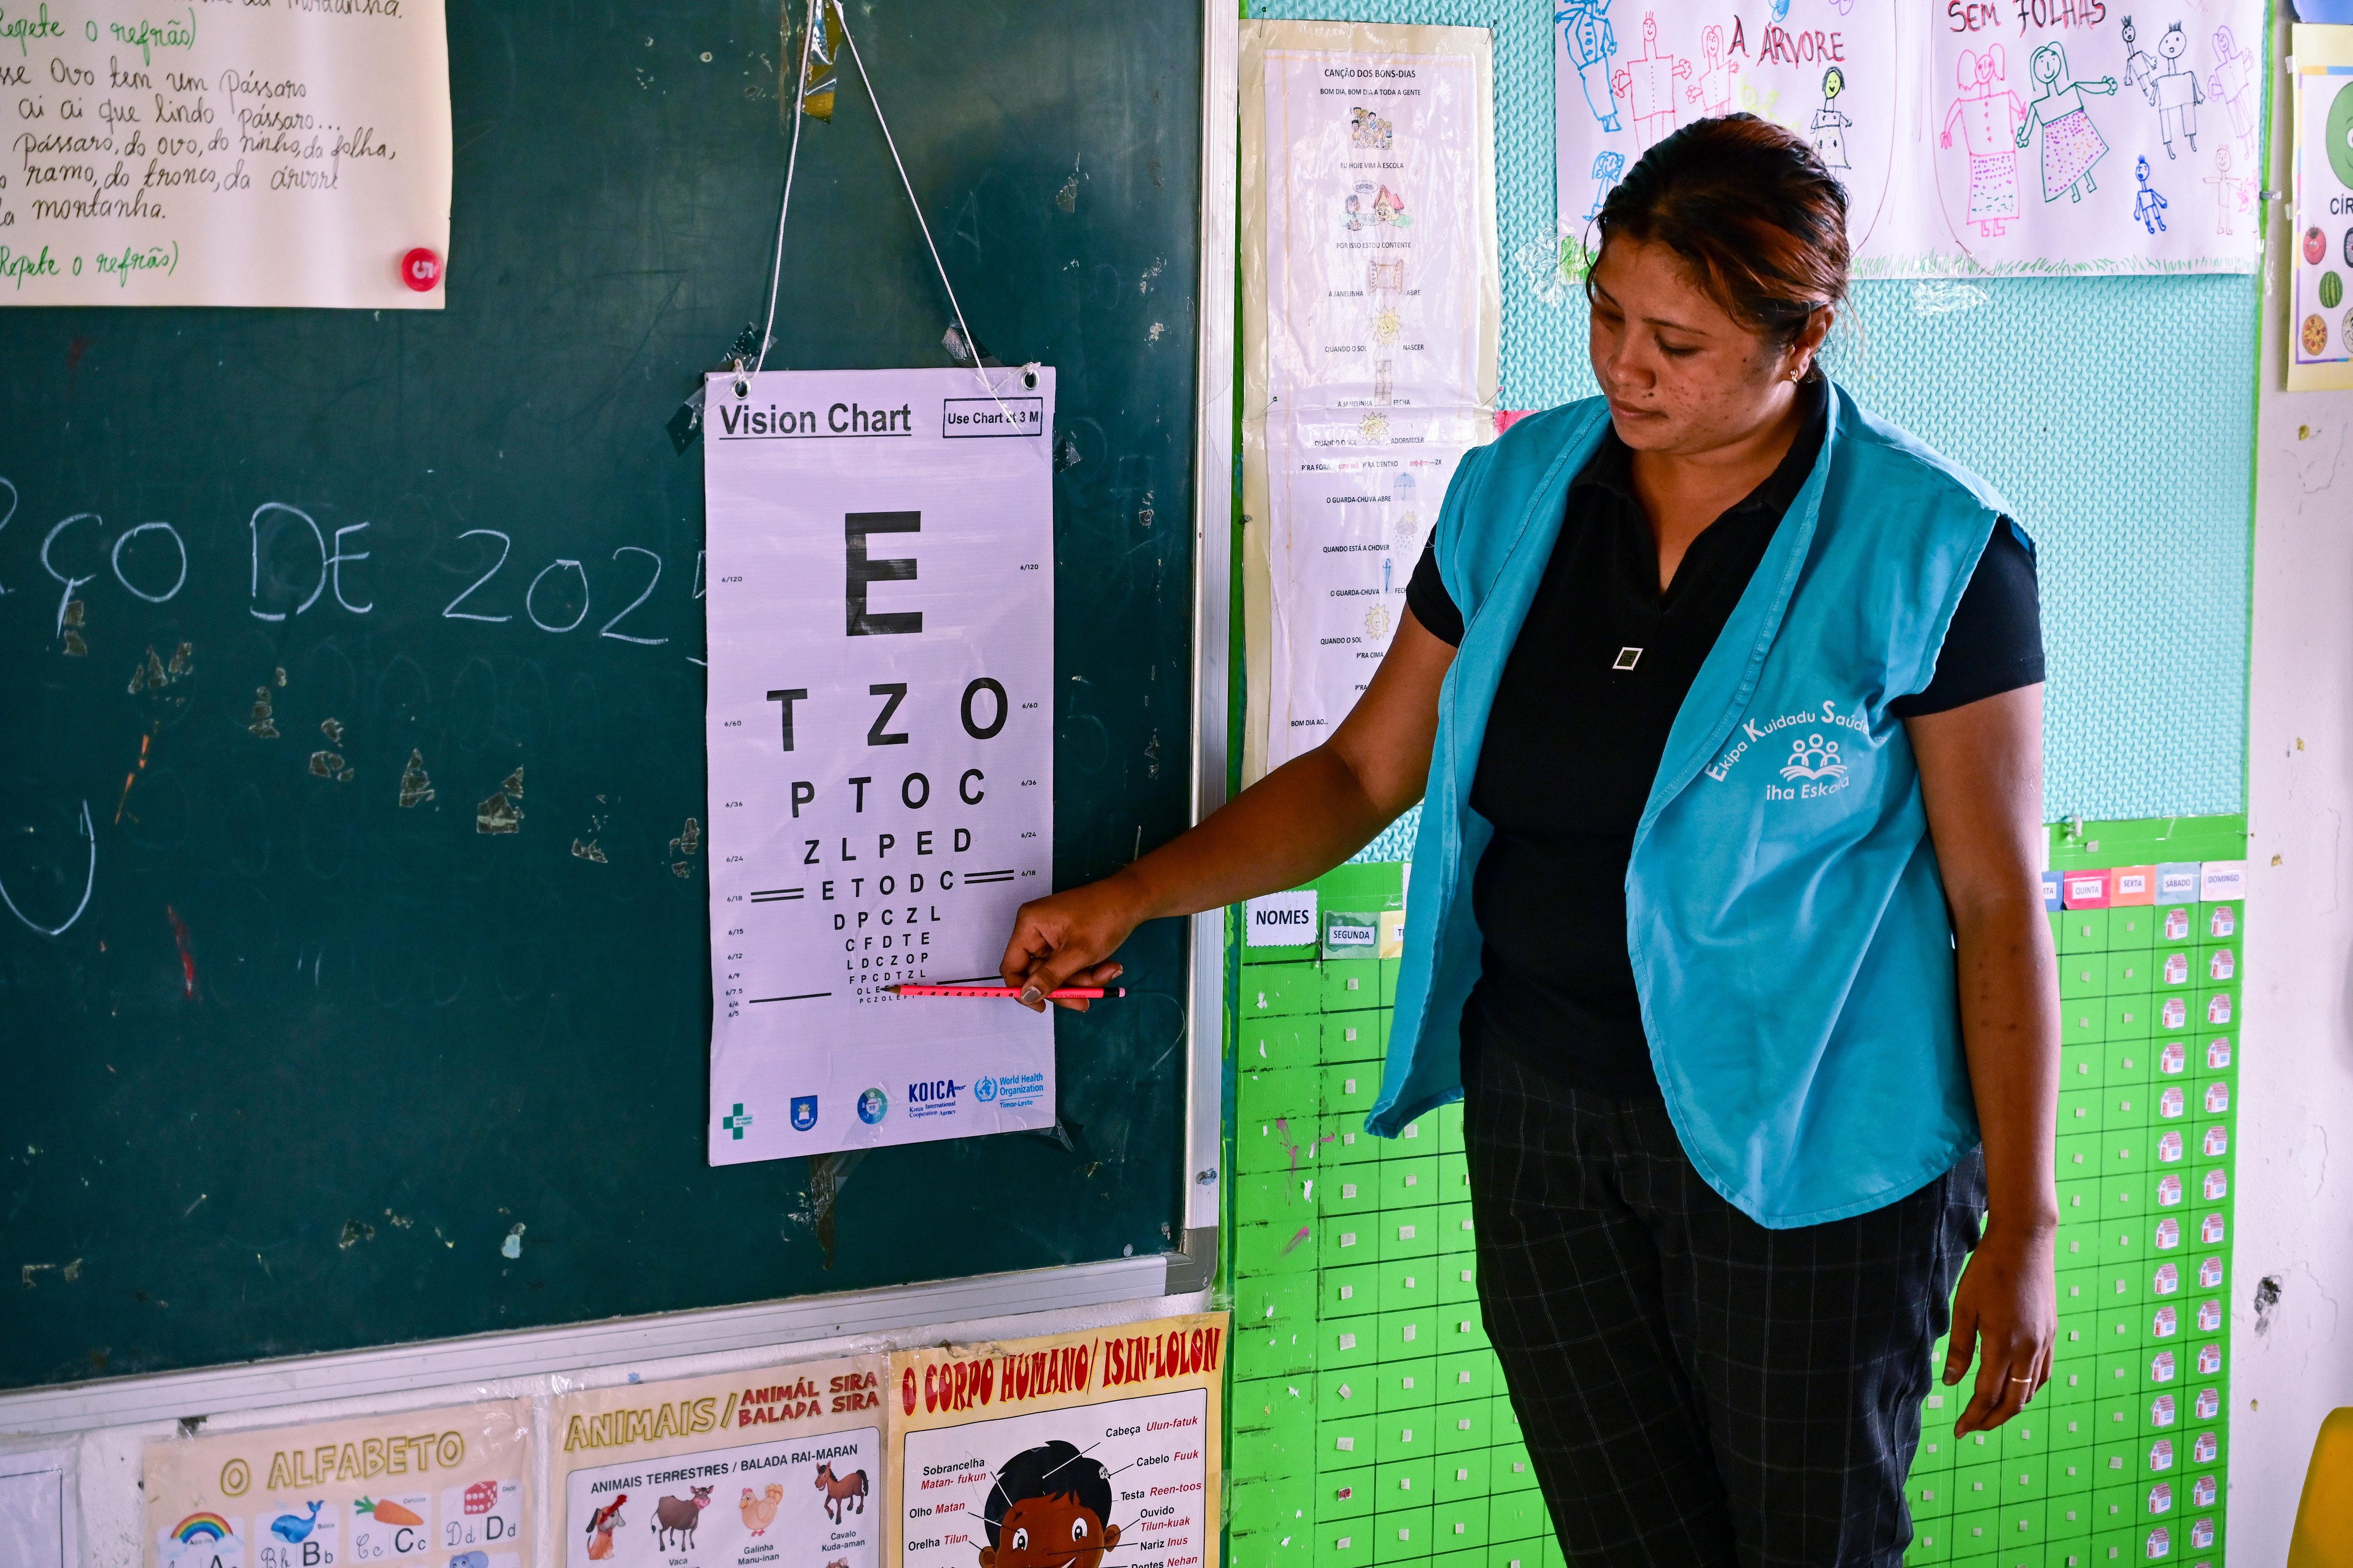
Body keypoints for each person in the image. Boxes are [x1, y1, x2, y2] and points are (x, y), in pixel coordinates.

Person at [999, 115, 2057, 1565]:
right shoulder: (1518, 494)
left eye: (1678, 345)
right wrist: (1134, 896)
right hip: (1549, 1124)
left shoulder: (1935, 545)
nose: (1626, 366)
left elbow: (1998, 902)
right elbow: (1368, 771)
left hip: (1817, 1149)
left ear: (1798, 340)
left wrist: (2028, 1220)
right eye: (1609, 315)